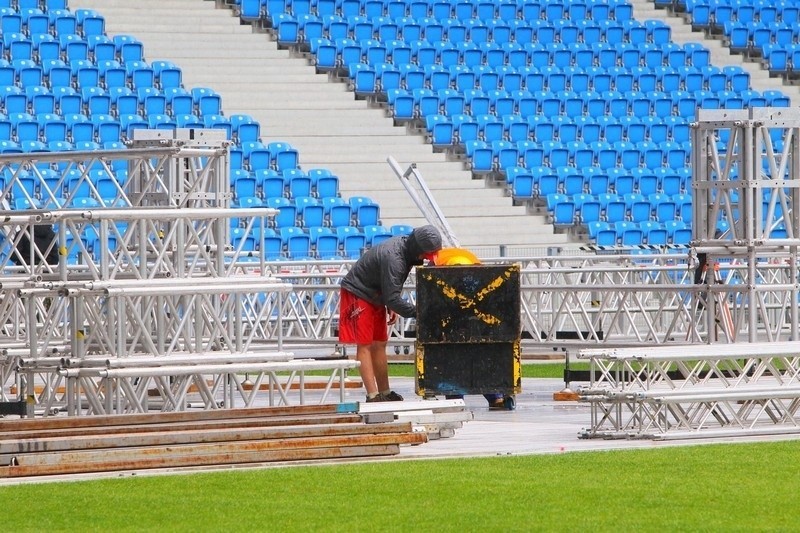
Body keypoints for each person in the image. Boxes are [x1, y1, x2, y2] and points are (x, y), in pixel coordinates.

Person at [339, 225, 442, 403]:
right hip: (359, 291)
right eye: (427, 254)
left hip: (377, 294)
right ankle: (372, 395)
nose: (427, 258)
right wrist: (419, 312)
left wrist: (390, 304)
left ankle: (385, 392)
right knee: (365, 344)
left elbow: (392, 284)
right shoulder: (395, 257)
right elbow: (392, 294)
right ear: (419, 249)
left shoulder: (407, 250)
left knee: (380, 343)